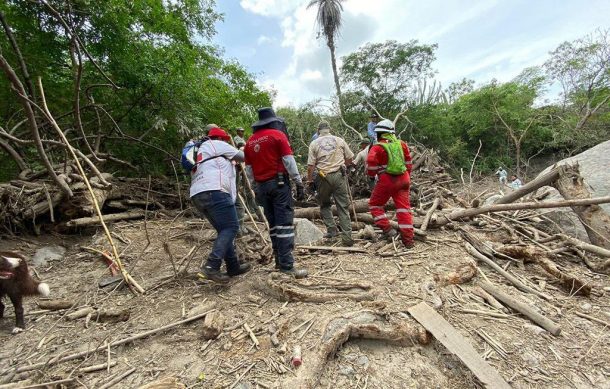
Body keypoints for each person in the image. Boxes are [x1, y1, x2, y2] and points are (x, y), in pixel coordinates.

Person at [244, 107, 308, 278]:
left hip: (261, 187)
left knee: (272, 225)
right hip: (279, 185)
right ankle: (287, 266)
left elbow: (248, 170)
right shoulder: (278, 136)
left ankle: (279, 261)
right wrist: (298, 182)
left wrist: (255, 186)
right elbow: (289, 161)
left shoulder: (250, 142)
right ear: (273, 121)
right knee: (284, 225)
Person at [186, 127, 251, 283]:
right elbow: (245, 156)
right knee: (231, 228)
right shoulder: (216, 144)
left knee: (225, 229)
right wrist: (244, 149)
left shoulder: (204, 151)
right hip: (214, 191)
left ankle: (233, 266)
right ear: (221, 139)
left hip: (199, 194)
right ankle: (211, 267)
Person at [366, 119, 415, 248]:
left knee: (375, 205)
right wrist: (406, 177)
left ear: (379, 134)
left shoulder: (377, 147)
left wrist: (371, 176)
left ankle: (389, 231)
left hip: (387, 180)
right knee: (404, 209)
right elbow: (409, 163)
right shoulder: (402, 144)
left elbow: (371, 163)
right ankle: (408, 241)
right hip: (404, 179)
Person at [306, 121, 355, 246]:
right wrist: (344, 165)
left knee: (324, 204)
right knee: (343, 207)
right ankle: (347, 238)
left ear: (318, 131)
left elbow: (311, 166)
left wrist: (310, 180)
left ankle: (332, 230)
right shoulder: (339, 140)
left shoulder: (314, 143)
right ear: (329, 129)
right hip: (339, 175)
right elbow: (350, 158)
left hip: (323, 177)